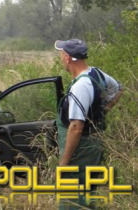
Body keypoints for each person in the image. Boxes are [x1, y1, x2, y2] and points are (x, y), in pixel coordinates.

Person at [55, 39, 123, 208]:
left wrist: (64, 164)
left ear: (68, 58)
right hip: (94, 146)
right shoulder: (96, 73)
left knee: (72, 200)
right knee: (87, 193)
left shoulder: (81, 86)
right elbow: (118, 89)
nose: (60, 57)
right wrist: (102, 111)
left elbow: (76, 128)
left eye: (61, 54)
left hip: (81, 151)